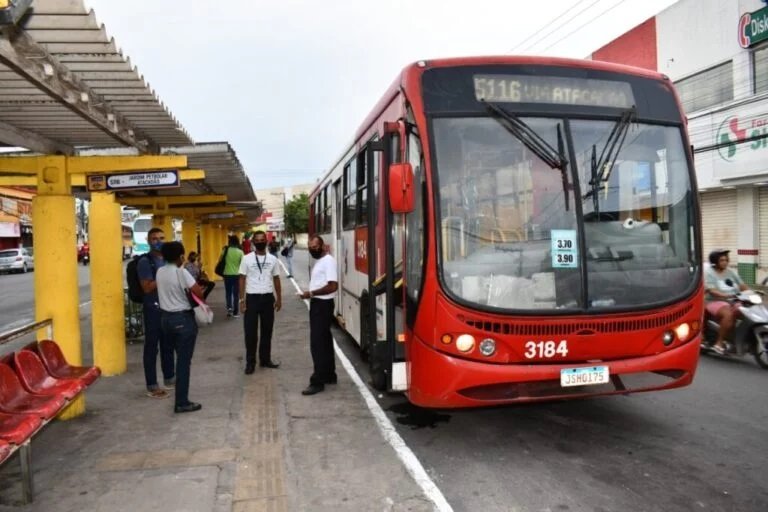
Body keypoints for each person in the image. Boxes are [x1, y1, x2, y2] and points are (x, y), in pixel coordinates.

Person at [156, 241, 205, 413]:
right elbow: (198, 291)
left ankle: (172, 385)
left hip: (165, 320)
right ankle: (182, 402)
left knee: (170, 354)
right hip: (183, 319)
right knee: (183, 363)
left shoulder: (160, 272)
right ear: (181, 256)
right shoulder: (181, 272)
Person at [138, 227, 175, 398]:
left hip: (168, 307)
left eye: (161, 237)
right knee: (152, 347)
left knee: (168, 344)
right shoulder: (146, 262)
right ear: (148, 241)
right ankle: (152, 385)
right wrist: (164, 276)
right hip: (153, 308)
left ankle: (169, 378)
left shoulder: (169, 261)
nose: (158, 241)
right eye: (154, 238)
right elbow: (146, 287)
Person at [298, 235, 338, 395]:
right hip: (319, 304)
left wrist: (311, 293)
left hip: (322, 305)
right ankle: (329, 375)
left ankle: (318, 381)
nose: (312, 249)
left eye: (315, 246)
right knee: (325, 341)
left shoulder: (328, 261)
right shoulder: (321, 261)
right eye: (310, 247)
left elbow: (333, 286)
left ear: (323, 246)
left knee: (318, 344)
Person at [238, 230, 282, 374]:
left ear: (266, 241)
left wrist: (279, 298)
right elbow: (242, 279)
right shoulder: (246, 259)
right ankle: (250, 363)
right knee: (250, 333)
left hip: (268, 298)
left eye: (262, 239)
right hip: (252, 298)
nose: (260, 242)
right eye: (257, 240)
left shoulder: (273, 259)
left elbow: (276, 278)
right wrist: (242, 299)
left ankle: (265, 360)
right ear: (253, 242)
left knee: (267, 331)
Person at [705, 249, 749, 355]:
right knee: (728, 314)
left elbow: (742, 286)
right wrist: (727, 295)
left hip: (733, 300)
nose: (725, 262)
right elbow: (712, 290)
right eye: (722, 260)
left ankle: (738, 339)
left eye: (726, 260)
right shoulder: (709, 273)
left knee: (747, 311)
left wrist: (750, 293)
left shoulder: (730, 272)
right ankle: (718, 343)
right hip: (714, 301)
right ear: (715, 262)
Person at [221, 235, 244, 318]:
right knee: (236, 293)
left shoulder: (225, 250)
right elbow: (243, 264)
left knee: (228, 292)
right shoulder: (240, 252)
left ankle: (229, 309)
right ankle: (235, 312)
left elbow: (220, 260)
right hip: (237, 275)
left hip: (227, 274)